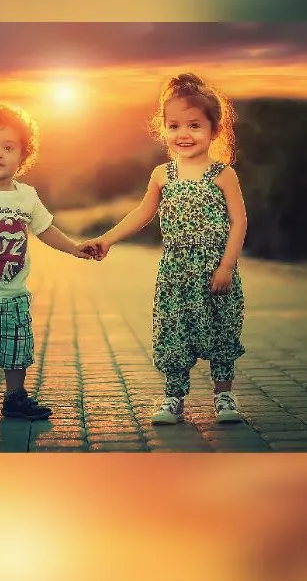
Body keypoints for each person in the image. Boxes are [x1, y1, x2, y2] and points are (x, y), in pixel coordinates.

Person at [79, 73, 247, 424]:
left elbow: (238, 222)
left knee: (221, 331)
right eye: (174, 126)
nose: (183, 134)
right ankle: (173, 399)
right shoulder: (162, 174)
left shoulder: (222, 173)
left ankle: (225, 397)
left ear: (214, 130)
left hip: (215, 269)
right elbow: (141, 213)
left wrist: (227, 266)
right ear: (164, 129)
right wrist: (106, 239)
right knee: (173, 332)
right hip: (175, 273)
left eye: (194, 125)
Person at [0, 102, 93, 427]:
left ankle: (15, 399)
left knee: (17, 349)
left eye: (8, 148)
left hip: (13, 294)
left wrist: (75, 248)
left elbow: (46, 230)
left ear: (22, 155)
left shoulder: (27, 197)